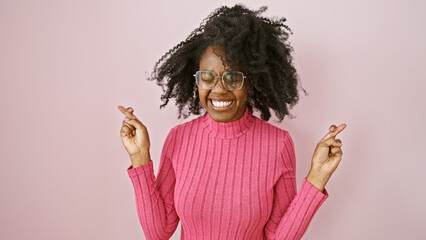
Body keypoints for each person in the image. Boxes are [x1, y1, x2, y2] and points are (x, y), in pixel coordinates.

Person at [118, 4, 346, 240]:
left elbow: (279, 236)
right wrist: (139, 157)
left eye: (233, 78)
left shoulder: (278, 144)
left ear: (251, 83)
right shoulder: (178, 138)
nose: (219, 89)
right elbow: (158, 232)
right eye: (207, 77)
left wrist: (318, 176)